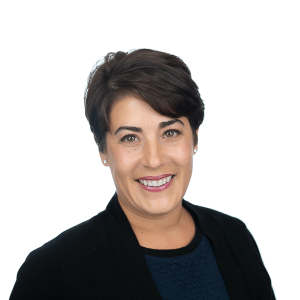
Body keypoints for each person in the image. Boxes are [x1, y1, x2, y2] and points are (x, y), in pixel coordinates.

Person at [10, 49, 276, 300]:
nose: (154, 159)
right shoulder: (53, 271)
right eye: (130, 138)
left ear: (194, 139)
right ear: (103, 150)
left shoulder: (235, 237)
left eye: (170, 132)